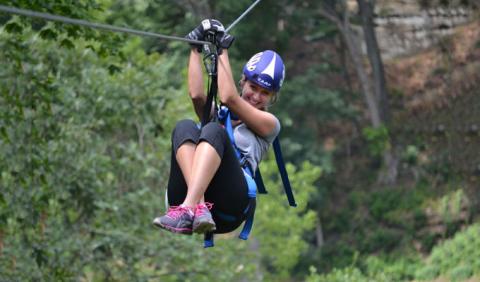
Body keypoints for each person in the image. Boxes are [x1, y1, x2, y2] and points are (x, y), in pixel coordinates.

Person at [153, 19, 285, 236]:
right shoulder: (219, 114)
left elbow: (229, 97)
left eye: (265, 93)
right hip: (193, 203)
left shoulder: (269, 125)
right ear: (243, 81)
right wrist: (195, 48)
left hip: (229, 207)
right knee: (185, 126)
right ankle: (195, 206)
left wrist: (222, 50)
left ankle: (190, 208)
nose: (256, 96)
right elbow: (196, 95)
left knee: (214, 131)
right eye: (253, 87)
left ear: (273, 98)